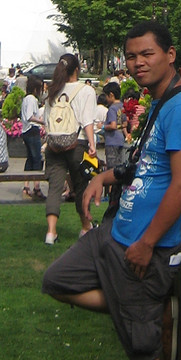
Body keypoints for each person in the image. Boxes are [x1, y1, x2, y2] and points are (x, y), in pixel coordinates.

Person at [42, 19, 181, 360]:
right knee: (56, 280)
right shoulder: (161, 103)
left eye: (147, 55)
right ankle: (149, 312)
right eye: (132, 56)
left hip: (146, 248)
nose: (137, 63)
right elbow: (147, 166)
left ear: (170, 55)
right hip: (115, 233)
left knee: (143, 350)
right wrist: (104, 175)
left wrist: (147, 243)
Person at [41, 54, 98, 246]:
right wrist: (92, 144)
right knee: (81, 188)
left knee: (54, 188)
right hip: (77, 144)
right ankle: (85, 226)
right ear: (77, 69)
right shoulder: (86, 90)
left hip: (54, 145)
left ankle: (51, 232)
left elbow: (46, 121)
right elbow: (87, 120)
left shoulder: (53, 90)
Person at [20, 74, 45, 198]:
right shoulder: (31, 99)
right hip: (32, 130)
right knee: (37, 159)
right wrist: (42, 121)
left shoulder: (26, 98)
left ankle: (26, 186)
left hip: (26, 131)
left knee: (30, 158)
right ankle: (36, 187)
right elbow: (30, 116)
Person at [101, 81, 126, 175]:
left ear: (111, 95)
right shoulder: (123, 106)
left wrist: (103, 126)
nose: (106, 99)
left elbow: (113, 125)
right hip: (121, 139)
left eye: (106, 96)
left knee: (111, 170)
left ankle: (111, 189)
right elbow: (125, 123)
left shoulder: (112, 108)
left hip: (112, 141)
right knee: (120, 168)